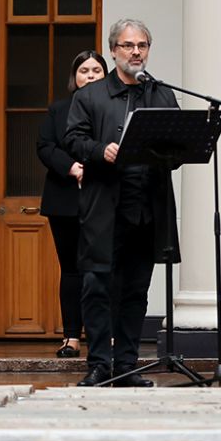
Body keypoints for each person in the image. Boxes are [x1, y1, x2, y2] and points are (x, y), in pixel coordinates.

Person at [64, 19, 180, 387]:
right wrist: (102, 150)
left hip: (146, 210)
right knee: (97, 287)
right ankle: (99, 364)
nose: (136, 52)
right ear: (113, 50)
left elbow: (178, 147)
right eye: (128, 46)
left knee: (135, 290)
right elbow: (74, 140)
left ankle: (127, 365)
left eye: (142, 46)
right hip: (105, 209)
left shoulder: (161, 95)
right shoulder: (91, 96)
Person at [36, 50, 108, 359]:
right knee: (72, 270)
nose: (90, 75)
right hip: (65, 198)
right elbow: (45, 147)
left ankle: (105, 338)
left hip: (104, 196)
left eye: (96, 70)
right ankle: (71, 337)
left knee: (105, 269)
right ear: (74, 77)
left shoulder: (113, 108)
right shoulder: (59, 109)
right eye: (84, 71)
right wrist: (74, 168)